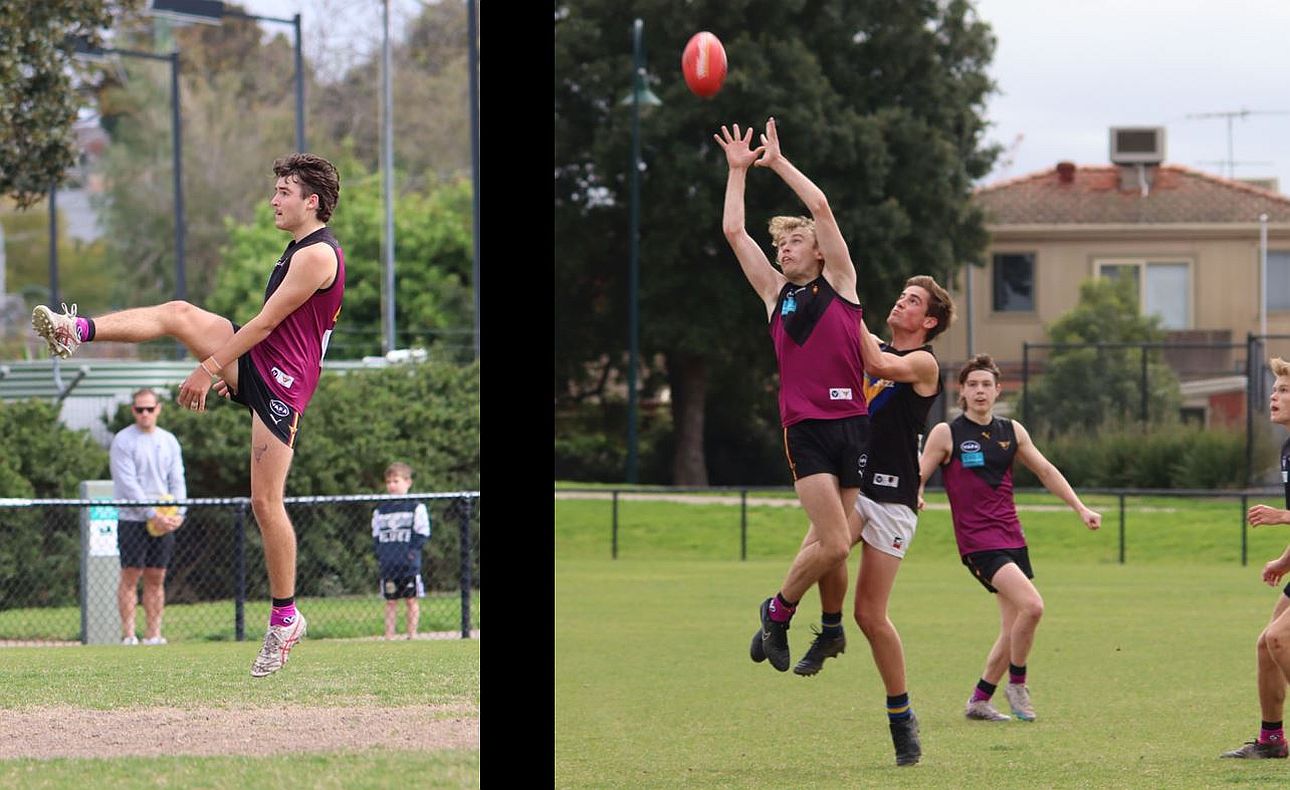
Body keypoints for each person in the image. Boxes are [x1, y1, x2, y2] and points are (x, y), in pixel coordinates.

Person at [32, 153, 343, 677]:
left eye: (284, 192)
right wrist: (232, 371)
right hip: (263, 367)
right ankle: (75, 330)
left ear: (311, 201)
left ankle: (285, 619)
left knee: (266, 503)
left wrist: (211, 367)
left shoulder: (317, 255)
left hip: (282, 386)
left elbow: (266, 324)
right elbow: (276, 331)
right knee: (178, 313)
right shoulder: (298, 248)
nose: (274, 199)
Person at [716, 117, 868, 675]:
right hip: (806, 428)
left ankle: (814, 623)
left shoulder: (841, 283)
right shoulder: (774, 294)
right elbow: (735, 232)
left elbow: (820, 206)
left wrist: (777, 163)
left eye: (794, 241)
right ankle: (778, 613)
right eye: (779, 244)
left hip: (854, 425)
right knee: (836, 544)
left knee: (829, 545)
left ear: (821, 252)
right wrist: (738, 170)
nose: (783, 249)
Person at [797, 277, 952, 766]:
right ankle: (829, 628)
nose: (902, 302)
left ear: (929, 321)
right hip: (854, 484)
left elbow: (879, 365)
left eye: (913, 301)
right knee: (821, 553)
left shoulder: (923, 362)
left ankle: (902, 717)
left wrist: (847, 302)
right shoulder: (876, 347)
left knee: (871, 615)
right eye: (902, 295)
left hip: (893, 497)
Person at [918, 354, 1101, 723]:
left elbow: (1046, 470)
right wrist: (916, 492)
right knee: (1033, 607)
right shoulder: (947, 433)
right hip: (978, 543)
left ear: (998, 390)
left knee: (1012, 626)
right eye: (973, 384)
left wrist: (1080, 508)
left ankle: (979, 700)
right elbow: (917, 474)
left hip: (1012, 537)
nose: (980, 391)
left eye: (986, 384)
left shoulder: (1012, 431)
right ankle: (1017, 683)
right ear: (961, 391)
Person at [1220, 356, 1290, 759]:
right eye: (1274, 389)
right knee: (1267, 644)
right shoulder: (1288, 449)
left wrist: (1282, 516)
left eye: (1284, 390)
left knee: (1281, 638)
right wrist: (1284, 561)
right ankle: (1271, 741)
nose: (1274, 397)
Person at [112, 388, 186, 646]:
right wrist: (151, 514)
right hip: (132, 518)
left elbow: (177, 479)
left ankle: (154, 635)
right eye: (139, 409)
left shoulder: (169, 441)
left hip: (164, 521)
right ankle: (129, 635)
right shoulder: (123, 440)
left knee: (156, 576)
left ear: (158, 409)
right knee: (130, 575)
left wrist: (178, 512)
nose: (145, 413)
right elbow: (127, 483)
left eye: (149, 409)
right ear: (133, 411)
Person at [372, 462, 431, 640]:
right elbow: (376, 535)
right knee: (390, 601)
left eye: (396, 481)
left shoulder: (416, 507)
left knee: (411, 600)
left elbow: (422, 533)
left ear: (408, 482)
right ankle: (389, 636)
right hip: (389, 565)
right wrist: (382, 554)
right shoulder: (381, 510)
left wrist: (411, 553)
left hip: (408, 565)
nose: (392, 485)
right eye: (388, 482)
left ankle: (412, 635)